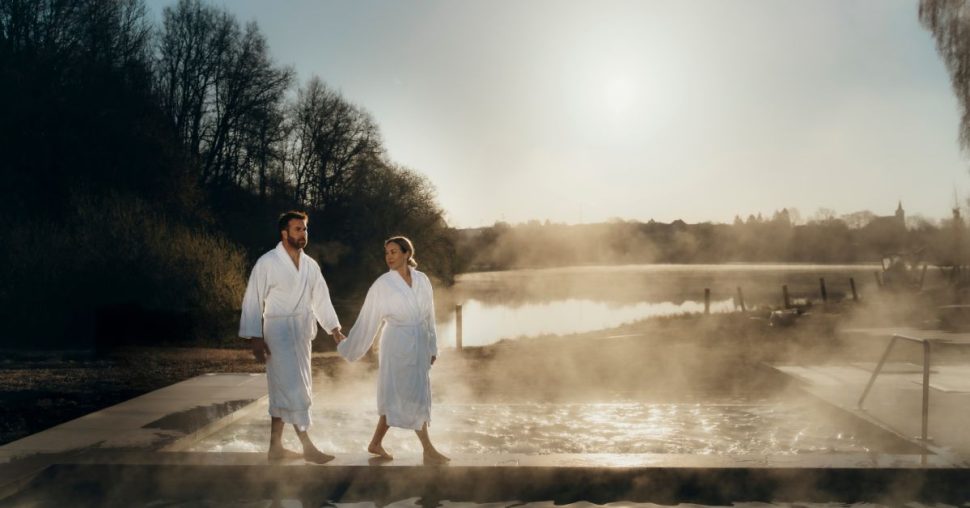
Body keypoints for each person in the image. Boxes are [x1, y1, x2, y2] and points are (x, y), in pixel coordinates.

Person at [239, 211, 346, 464]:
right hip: (278, 333)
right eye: (298, 229)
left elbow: (321, 298)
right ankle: (307, 447)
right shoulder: (267, 262)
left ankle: (275, 448)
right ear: (284, 233)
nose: (303, 233)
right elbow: (253, 298)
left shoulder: (310, 265)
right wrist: (255, 336)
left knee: (283, 390)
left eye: (305, 229)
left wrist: (334, 328)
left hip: (301, 334)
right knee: (294, 389)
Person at [335, 236, 450, 464]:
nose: (389, 256)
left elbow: (429, 316)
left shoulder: (422, 280)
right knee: (402, 394)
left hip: (419, 343)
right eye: (386, 252)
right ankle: (428, 450)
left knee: (412, 394)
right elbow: (368, 318)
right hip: (396, 344)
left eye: (394, 251)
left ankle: (376, 443)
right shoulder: (383, 285)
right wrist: (348, 345)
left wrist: (432, 347)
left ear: (407, 253)